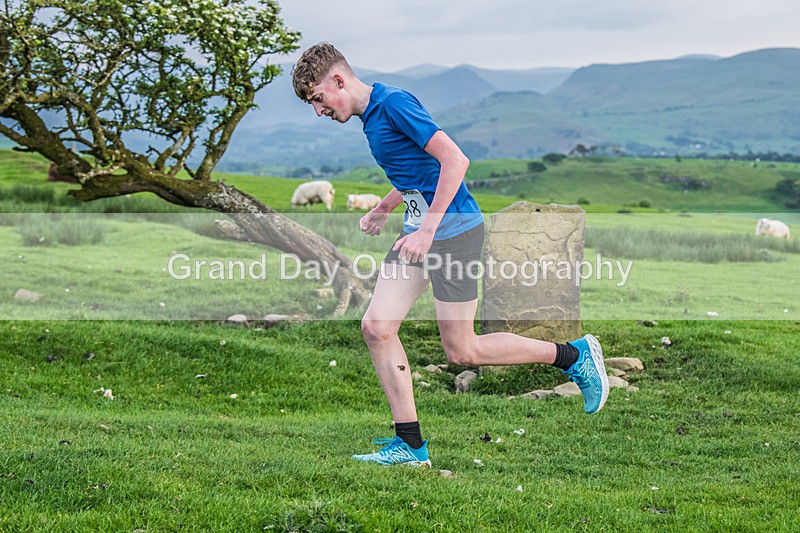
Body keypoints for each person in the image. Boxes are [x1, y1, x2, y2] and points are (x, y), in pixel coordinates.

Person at [291, 43, 608, 467]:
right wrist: (387, 206)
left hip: (454, 233)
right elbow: (418, 169)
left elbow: (455, 161)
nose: (319, 111)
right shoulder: (372, 117)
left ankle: (574, 355)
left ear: (338, 80)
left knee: (462, 352)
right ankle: (410, 445)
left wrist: (427, 229)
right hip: (419, 235)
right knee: (376, 327)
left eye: (317, 99)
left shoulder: (395, 103)